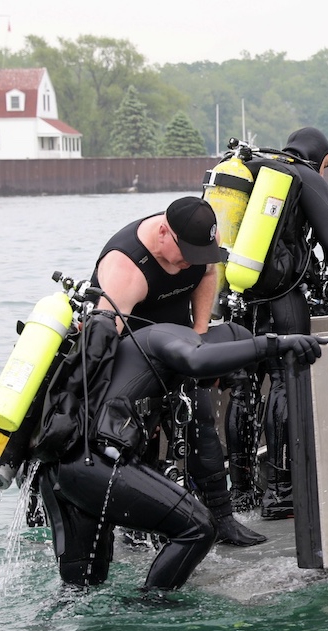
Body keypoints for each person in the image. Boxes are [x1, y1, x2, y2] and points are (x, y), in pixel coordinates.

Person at [37, 316, 325, 592]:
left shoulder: (157, 359)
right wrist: (275, 343)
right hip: (93, 466)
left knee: (82, 587)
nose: (219, 387)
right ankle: (152, 606)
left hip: (62, 471)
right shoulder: (173, 336)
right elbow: (197, 360)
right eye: (227, 377)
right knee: (199, 528)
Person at [91, 196, 266, 547]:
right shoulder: (125, 268)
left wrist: (198, 335)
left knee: (201, 422)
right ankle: (132, 525)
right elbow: (103, 346)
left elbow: (209, 273)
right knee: (136, 438)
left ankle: (222, 519)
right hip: (132, 354)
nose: (190, 261)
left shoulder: (201, 239)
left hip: (179, 342)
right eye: (185, 253)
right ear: (162, 233)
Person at [232, 127, 328, 520]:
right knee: (284, 383)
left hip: (237, 295)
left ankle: (240, 493)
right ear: (323, 158)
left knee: (241, 388)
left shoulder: (249, 168)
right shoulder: (306, 176)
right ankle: (281, 494)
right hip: (281, 296)